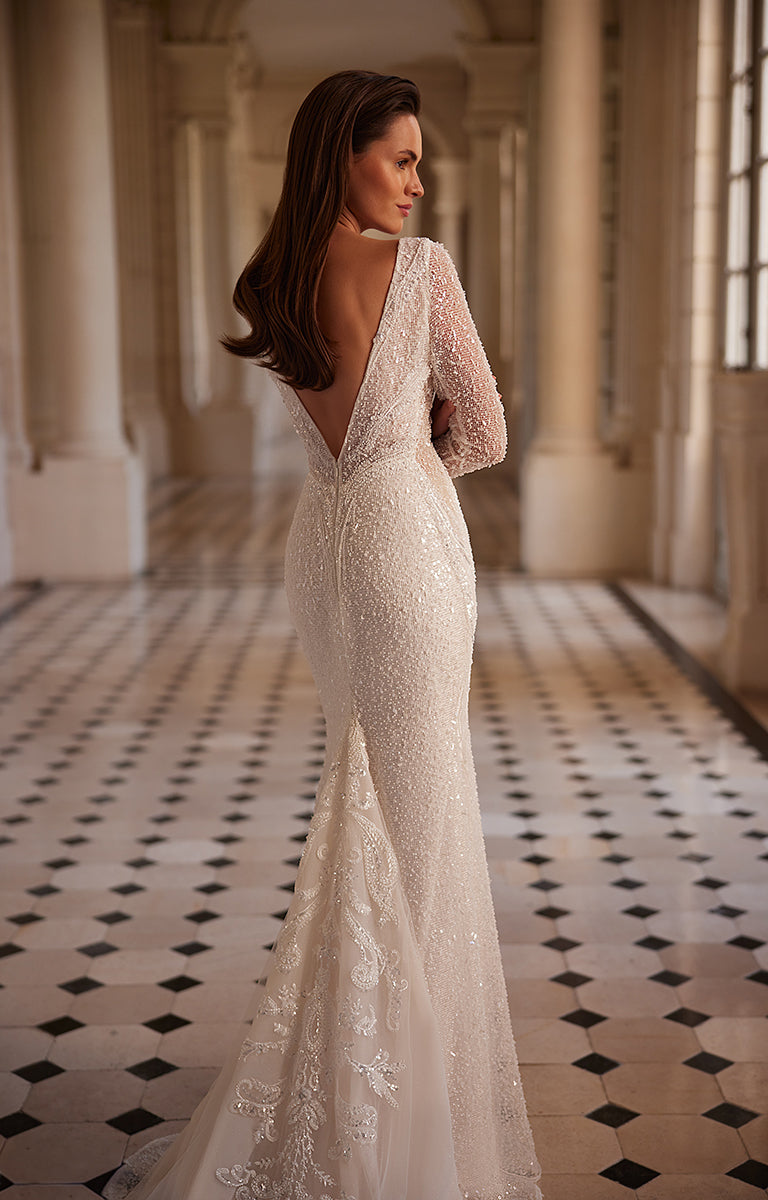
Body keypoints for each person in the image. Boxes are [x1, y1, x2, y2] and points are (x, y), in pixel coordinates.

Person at [109, 69, 541, 1200]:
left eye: (417, 161)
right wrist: (423, 446)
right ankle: (400, 1112)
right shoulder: (423, 270)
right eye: (398, 159)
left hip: (326, 554)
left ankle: (351, 1076)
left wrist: (392, 442)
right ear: (341, 157)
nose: (416, 180)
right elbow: (488, 431)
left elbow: (332, 411)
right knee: (420, 826)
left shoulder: (277, 273)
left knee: (364, 806)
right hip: (404, 546)